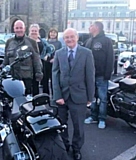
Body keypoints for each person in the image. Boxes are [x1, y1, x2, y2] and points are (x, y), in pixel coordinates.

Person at [52, 28, 95, 160]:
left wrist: (90, 97)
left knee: (78, 126)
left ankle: (76, 149)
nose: (69, 39)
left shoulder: (87, 53)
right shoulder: (59, 53)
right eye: (66, 37)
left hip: (79, 96)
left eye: (71, 37)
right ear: (63, 39)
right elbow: (55, 75)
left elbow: (90, 76)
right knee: (61, 125)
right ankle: (65, 146)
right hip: (62, 97)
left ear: (77, 37)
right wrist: (57, 96)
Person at [84, 21, 114, 129]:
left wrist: (108, 74)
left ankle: (102, 119)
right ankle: (93, 116)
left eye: (91, 25)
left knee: (102, 98)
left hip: (101, 75)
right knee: (92, 97)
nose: (89, 27)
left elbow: (110, 58)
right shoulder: (89, 41)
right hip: (90, 75)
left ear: (96, 27)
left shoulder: (106, 41)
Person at [3, 20, 43, 95]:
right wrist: (2, 68)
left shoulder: (31, 42)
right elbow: (6, 58)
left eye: (21, 28)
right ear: (14, 29)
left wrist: (38, 74)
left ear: (24, 29)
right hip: (12, 78)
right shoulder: (9, 42)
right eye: (17, 28)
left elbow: (36, 60)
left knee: (26, 101)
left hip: (26, 77)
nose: (19, 30)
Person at [42, 28, 62, 95]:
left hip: (55, 63)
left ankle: (55, 95)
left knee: (54, 80)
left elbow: (60, 53)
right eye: (51, 32)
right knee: (45, 79)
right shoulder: (46, 42)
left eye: (54, 32)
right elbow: (43, 51)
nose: (52, 34)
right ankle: (45, 94)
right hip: (46, 62)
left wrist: (55, 59)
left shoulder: (58, 43)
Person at [28, 23, 43, 96]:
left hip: (38, 65)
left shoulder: (42, 42)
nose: (34, 32)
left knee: (36, 83)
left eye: (35, 31)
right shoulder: (26, 41)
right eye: (32, 30)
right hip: (27, 65)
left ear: (38, 31)